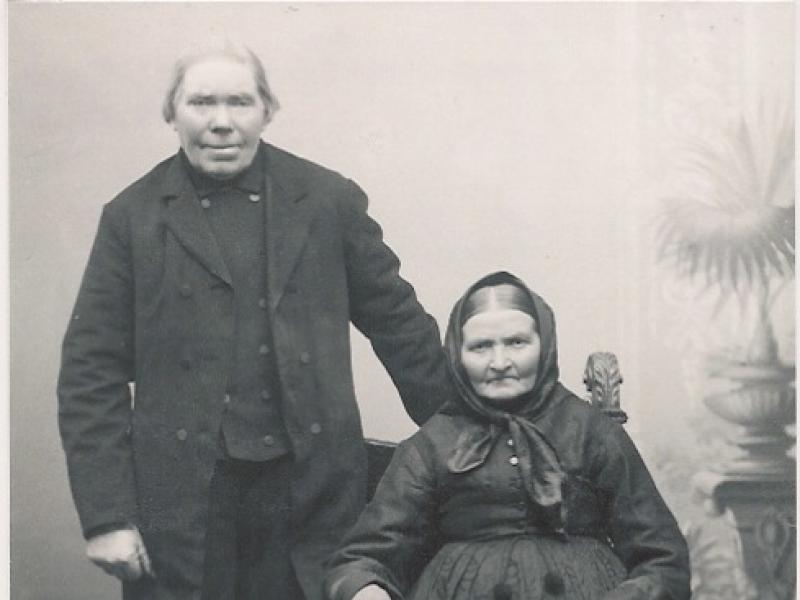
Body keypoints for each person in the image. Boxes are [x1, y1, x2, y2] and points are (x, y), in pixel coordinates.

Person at [57, 40, 452, 600]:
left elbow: (401, 327)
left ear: (268, 110)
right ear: (172, 113)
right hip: (183, 505)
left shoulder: (327, 201)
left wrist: (466, 443)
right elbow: (89, 373)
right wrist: (107, 515)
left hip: (310, 496)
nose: (221, 122)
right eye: (201, 102)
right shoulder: (132, 218)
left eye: (240, 102)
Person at [324, 271, 691, 600]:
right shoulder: (433, 444)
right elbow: (362, 557)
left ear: (543, 345)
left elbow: (662, 557)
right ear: (458, 355)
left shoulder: (591, 431)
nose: (499, 363)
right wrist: (366, 589)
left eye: (516, 342)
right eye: (481, 346)